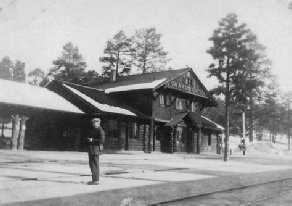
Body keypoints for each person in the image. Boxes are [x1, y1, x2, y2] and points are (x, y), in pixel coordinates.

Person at [87, 117, 105, 185]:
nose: (94, 124)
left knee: (94, 165)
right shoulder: (94, 130)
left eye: (95, 122)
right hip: (92, 149)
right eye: (93, 123)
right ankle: (94, 180)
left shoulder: (100, 130)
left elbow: (102, 141)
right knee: (92, 164)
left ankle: (96, 180)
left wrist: (93, 140)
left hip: (95, 149)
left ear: (99, 123)